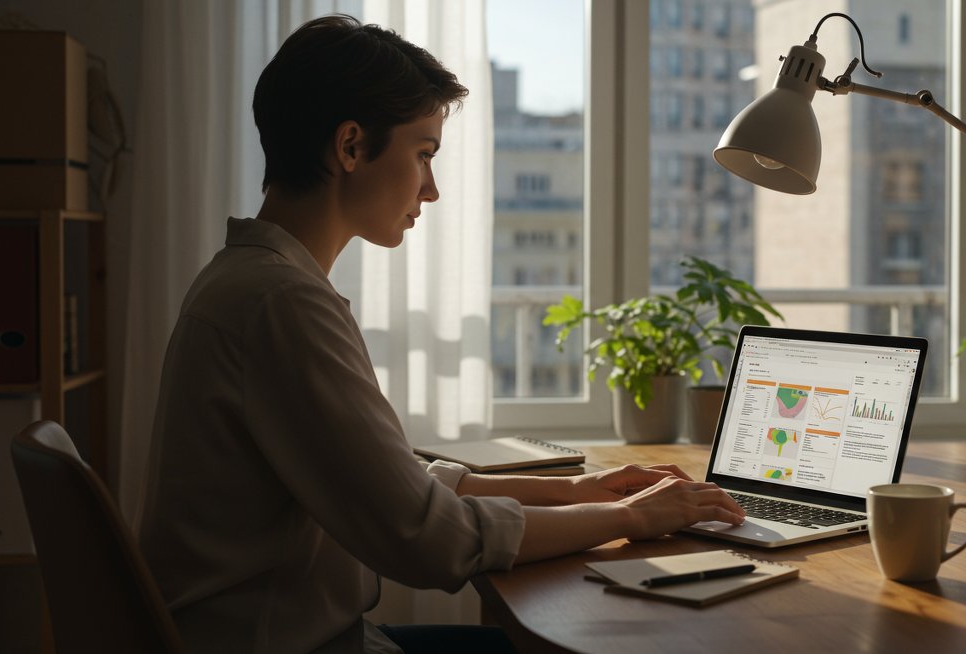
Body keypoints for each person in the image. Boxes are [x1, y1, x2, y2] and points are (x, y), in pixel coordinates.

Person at [137, 14, 745, 654]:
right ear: (350, 147)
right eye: (423, 154)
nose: (430, 189)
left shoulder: (257, 281)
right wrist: (628, 519)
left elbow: (395, 480)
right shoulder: (281, 304)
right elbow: (427, 538)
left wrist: (579, 489)